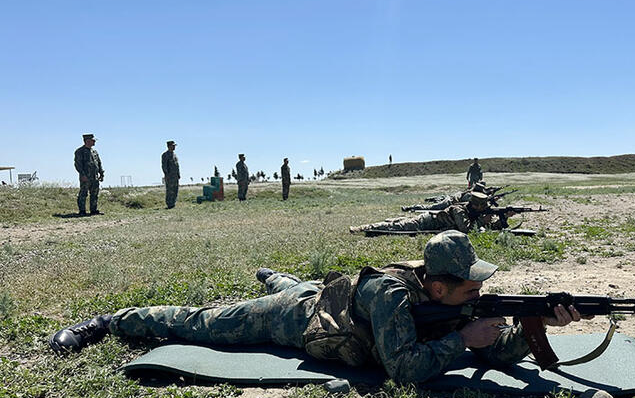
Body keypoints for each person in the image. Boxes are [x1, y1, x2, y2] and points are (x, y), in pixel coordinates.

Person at [48, 231, 583, 383]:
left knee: (300, 284)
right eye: (471, 289)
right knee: (205, 323)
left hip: (329, 300)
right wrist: (462, 341)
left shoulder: (450, 300)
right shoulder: (392, 294)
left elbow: (495, 351)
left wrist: (534, 331)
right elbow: (402, 369)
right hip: (296, 319)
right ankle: (110, 321)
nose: (479, 295)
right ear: (438, 288)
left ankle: (275, 277)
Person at [350, 192, 513, 235]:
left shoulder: (474, 212)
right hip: (427, 221)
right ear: (475, 206)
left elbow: (489, 227)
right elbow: (467, 229)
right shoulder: (460, 209)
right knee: (397, 226)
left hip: (435, 224)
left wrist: (503, 218)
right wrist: (482, 221)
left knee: (398, 222)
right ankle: (363, 228)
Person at [74, 133, 104, 216]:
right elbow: (78, 164)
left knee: (94, 194)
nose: (94, 142)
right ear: (87, 141)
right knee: (83, 194)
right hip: (85, 177)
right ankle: (82, 211)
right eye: (93, 140)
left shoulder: (94, 152)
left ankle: (93, 210)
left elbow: (99, 163)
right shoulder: (80, 151)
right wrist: (82, 175)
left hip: (95, 177)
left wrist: (101, 173)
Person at [161, 140, 180, 209]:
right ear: (169, 146)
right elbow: (164, 166)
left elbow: (177, 165)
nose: (174, 147)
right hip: (169, 176)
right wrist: (167, 175)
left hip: (175, 176)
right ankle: (169, 204)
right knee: (169, 190)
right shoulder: (165, 155)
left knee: (175, 189)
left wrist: (178, 174)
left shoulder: (174, 155)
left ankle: (173, 203)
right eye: (173, 146)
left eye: (174, 146)